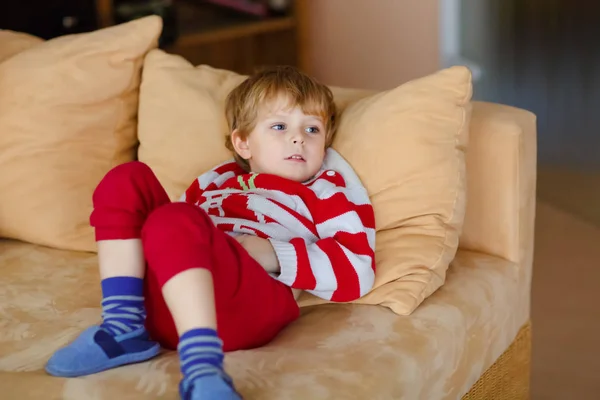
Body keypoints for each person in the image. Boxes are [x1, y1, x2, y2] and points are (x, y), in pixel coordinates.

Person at [45, 66, 376, 400]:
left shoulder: (323, 190)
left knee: (175, 218)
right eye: (279, 126)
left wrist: (272, 253)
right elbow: (172, 237)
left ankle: (202, 369)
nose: (298, 138)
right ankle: (123, 326)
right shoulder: (215, 181)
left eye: (312, 129)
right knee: (128, 178)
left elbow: (357, 269)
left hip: (248, 306)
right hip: (172, 306)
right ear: (243, 142)